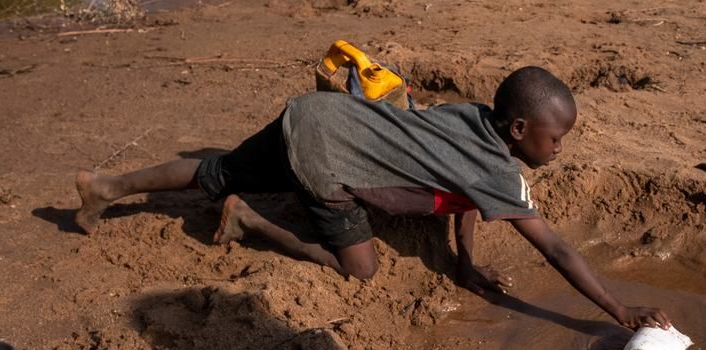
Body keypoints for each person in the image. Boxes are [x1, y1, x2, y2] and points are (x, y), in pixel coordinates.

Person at [75, 66, 671, 330]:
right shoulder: (501, 174)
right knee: (360, 269)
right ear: (519, 132)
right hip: (328, 162)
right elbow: (559, 252)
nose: (561, 149)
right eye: (557, 138)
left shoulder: (471, 116)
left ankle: (106, 186)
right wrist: (620, 311)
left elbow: (462, 196)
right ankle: (251, 222)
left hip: (313, 115)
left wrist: (463, 264)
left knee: (218, 170)